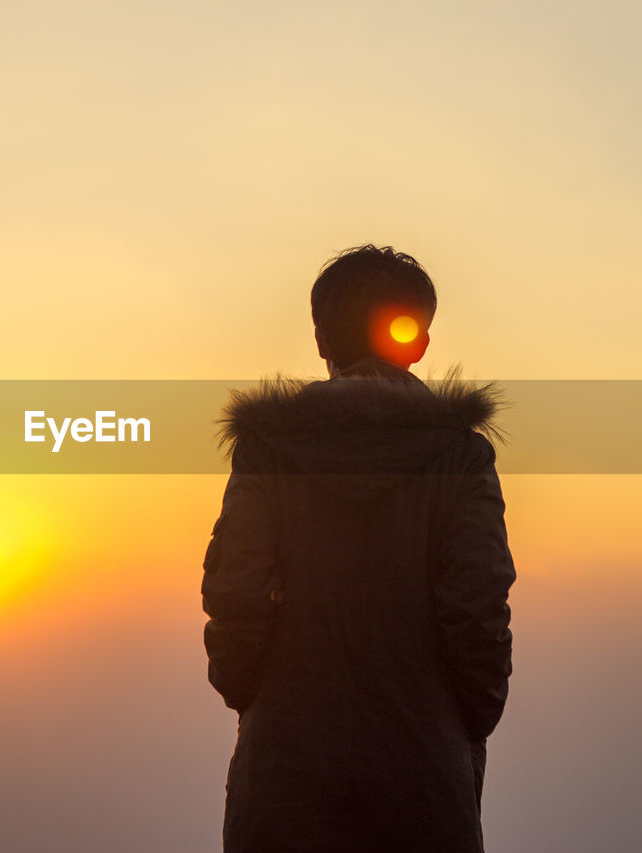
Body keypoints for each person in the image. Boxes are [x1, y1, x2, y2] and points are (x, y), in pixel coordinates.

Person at [202, 245, 515, 852]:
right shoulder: (461, 457)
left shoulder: (268, 451)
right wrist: (462, 725)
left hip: (283, 776)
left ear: (321, 338)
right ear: (418, 343)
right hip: (424, 781)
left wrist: (256, 698)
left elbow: (235, 592)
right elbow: (477, 605)